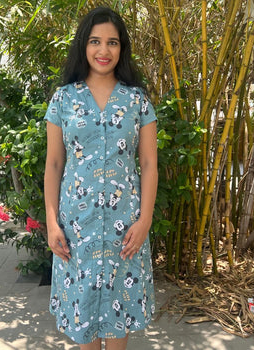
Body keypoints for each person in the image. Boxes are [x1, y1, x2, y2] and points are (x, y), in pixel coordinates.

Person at [44, 6, 158, 350]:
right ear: (84, 45)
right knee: (84, 324)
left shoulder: (137, 100)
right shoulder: (64, 99)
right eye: (95, 41)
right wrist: (52, 223)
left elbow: (150, 164)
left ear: (121, 48)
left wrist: (146, 220)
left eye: (112, 42)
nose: (103, 50)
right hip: (77, 229)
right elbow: (53, 164)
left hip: (126, 228)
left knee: (118, 316)